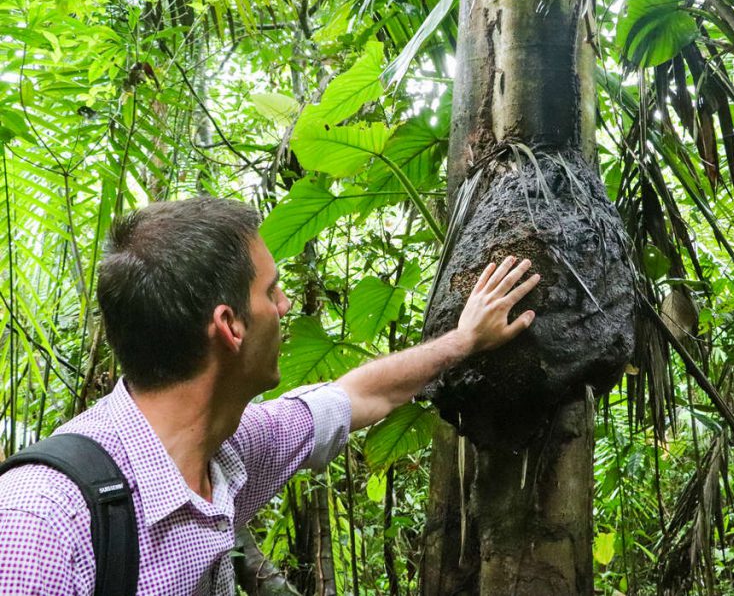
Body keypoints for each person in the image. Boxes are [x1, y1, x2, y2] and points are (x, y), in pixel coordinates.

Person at [0, 197, 540, 595]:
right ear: (229, 326)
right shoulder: (42, 521)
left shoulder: (230, 451)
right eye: (270, 291)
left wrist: (465, 340)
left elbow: (354, 396)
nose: (284, 306)